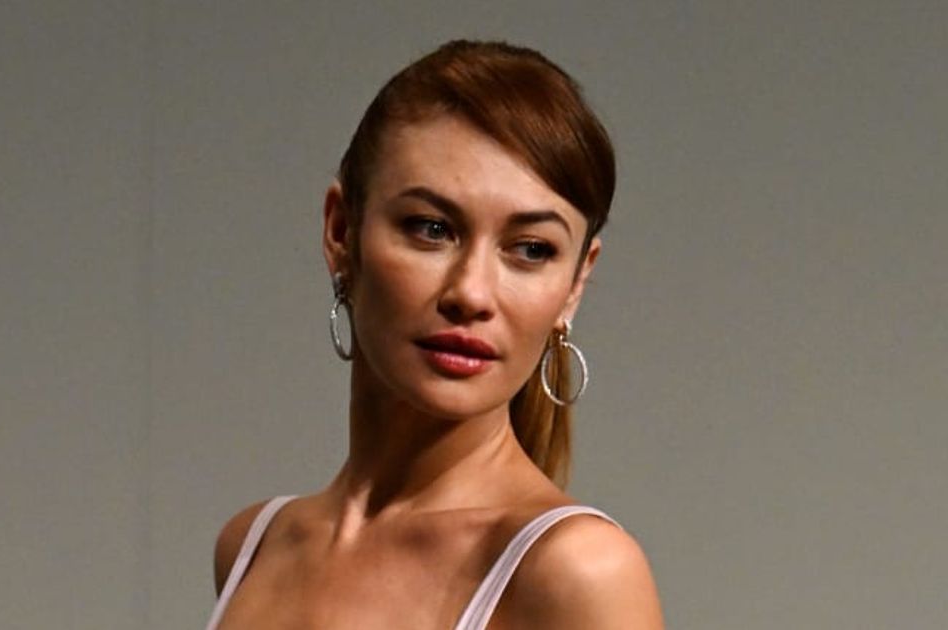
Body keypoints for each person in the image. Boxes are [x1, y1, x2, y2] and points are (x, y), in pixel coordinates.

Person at [206, 40, 664, 629]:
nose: (471, 293)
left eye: (531, 249)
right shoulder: (253, 547)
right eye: (431, 228)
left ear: (576, 283)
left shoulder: (578, 570)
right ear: (341, 232)